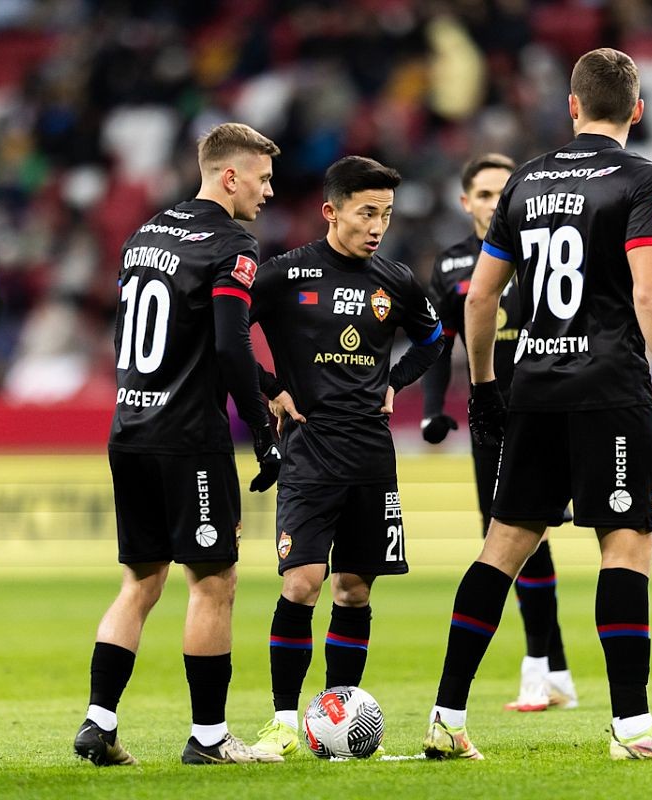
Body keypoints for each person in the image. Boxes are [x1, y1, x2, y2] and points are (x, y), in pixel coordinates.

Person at [422, 48, 652, 761]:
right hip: (607, 389)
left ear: (572, 106)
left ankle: (446, 717)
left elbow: (481, 297)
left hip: (533, 387)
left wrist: (484, 387)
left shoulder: (524, 180)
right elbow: (650, 292)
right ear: (637, 109)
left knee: (502, 546)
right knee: (626, 542)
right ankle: (632, 726)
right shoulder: (640, 178)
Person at [72, 122, 284, 767]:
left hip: (130, 428)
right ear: (230, 176)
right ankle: (209, 738)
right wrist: (263, 432)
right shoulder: (232, 244)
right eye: (262, 178)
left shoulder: (145, 236)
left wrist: (269, 386)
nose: (269, 191)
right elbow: (229, 343)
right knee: (214, 582)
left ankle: (99, 722)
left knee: (140, 580)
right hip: (189, 439)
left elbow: (130, 339)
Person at [251, 156, 444, 756]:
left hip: (371, 457)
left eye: (385, 214)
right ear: (331, 212)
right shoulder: (285, 274)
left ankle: (338, 715)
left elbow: (434, 338)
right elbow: (223, 332)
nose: (377, 226)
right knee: (302, 583)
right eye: (366, 213)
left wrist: (396, 381)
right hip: (309, 452)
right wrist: (269, 388)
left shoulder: (396, 279)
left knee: (355, 590)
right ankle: (284, 722)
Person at [421, 153, 577, 713]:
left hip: (546, 408)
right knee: (512, 538)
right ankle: (554, 671)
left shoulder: (543, 250)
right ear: (466, 202)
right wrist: (432, 409)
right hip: (489, 417)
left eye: (501, 193)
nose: (493, 203)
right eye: (484, 195)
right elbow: (439, 343)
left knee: (522, 536)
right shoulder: (451, 265)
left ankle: (540, 670)